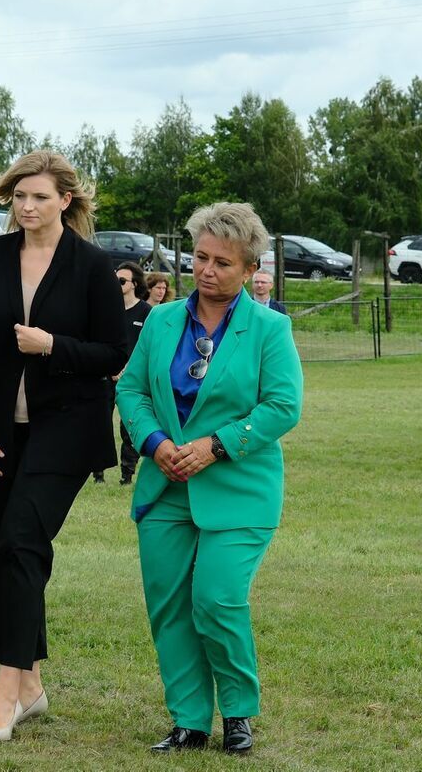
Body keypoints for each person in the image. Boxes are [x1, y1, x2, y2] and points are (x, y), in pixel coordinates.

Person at [0, 150, 127, 743]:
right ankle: (31, 683)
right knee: (4, 548)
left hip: (68, 428)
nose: (26, 208)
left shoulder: (93, 266)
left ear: (65, 201)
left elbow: (113, 353)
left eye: (39, 197)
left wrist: (53, 345)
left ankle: (5, 697)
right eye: (19, 198)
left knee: (22, 540)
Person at [116, 201, 303, 755]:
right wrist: (156, 444)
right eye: (200, 257)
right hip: (165, 485)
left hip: (239, 490)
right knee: (170, 606)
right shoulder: (161, 319)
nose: (206, 270)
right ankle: (190, 722)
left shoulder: (271, 328)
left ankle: (239, 712)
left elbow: (283, 406)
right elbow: (131, 390)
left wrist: (215, 446)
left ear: (250, 270)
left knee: (217, 599)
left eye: (223, 262)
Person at [114, 261, 153, 484]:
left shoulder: (147, 312)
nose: (117, 284)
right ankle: (97, 473)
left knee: (129, 425)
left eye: (122, 281)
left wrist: (127, 369)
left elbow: (146, 347)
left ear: (134, 284)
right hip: (107, 374)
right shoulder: (109, 309)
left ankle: (127, 474)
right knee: (98, 423)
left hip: (133, 377)